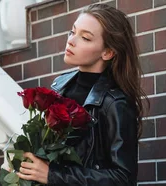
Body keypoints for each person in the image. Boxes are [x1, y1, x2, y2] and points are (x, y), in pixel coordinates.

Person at [15, 3, 147, 186]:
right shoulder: (59, 86)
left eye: (85, 38)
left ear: (107, 52)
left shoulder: (115, 103)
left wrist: (53, 175)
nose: (71, 41)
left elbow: (123, 178)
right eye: (72, 32)